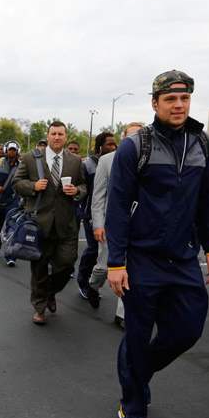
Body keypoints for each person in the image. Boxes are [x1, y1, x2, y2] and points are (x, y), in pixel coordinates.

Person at [106, 70, 209, 418]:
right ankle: (134, 405)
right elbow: (118, 206)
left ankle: (139, 371)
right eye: (171, 99)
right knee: (138, 335)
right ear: (155, 102)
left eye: (184, 99)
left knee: (188, 329)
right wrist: (116, 262)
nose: (179, 105)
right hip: (141, 259)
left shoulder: (202, 145)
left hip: (183, 258)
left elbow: (207, 202)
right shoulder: (134, 146)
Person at [13, 121, 87, 325]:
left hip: (67, 224)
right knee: (39, 268)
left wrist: (77, 191)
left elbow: (83, 185)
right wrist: (33, 186)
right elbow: (17, 183)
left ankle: (49, 292)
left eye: (60, 134)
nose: (57, 137)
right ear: (47, 136)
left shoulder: (75, 161)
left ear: (65, 136)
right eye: (53, 133)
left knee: (66, 264)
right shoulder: (30, 158)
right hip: (39, 223)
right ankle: (39, 307)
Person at [92, 122, 144, 327]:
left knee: (129, 268)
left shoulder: (149, 161)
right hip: (109, 224)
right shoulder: (106, 161)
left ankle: (122, 314)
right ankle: (93, 286)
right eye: (131, 136)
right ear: (124, 139)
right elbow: (99, 197)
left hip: (137, 227)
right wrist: (98, 224)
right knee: (104, 266)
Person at [76, 131, 116, 309]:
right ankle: (84, 282)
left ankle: (94, 284)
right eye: (109, 144)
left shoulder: (117, 162)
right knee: (93, 250)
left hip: (111, 216)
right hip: (91, 215)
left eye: (114, 144)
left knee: (103, 255)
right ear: (99, 147)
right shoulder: (88, 165)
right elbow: (83, 188)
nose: (113, 147)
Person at [0, 141, 22, 265]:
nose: (12, 152)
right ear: (6, 150)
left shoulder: (22, 166)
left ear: (17, 151)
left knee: (13, 229)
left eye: (14, 150)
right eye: (10, 150)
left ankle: (11, 256)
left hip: (14, 202)